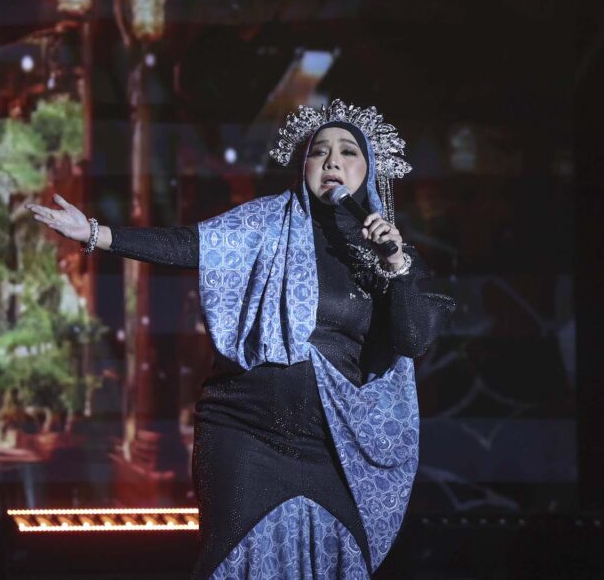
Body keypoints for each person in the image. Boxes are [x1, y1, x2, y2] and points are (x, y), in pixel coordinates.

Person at [27, 100, 456, 578]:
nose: (332, 161)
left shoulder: (393, 256)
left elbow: (412, 340)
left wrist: (395, 263)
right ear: (303, 166)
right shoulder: (265, 222)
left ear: (371, 170)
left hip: (335, 447)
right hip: (245, 430)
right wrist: (95, 233)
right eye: (319, 151)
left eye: (348, 152)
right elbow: (189, 245)